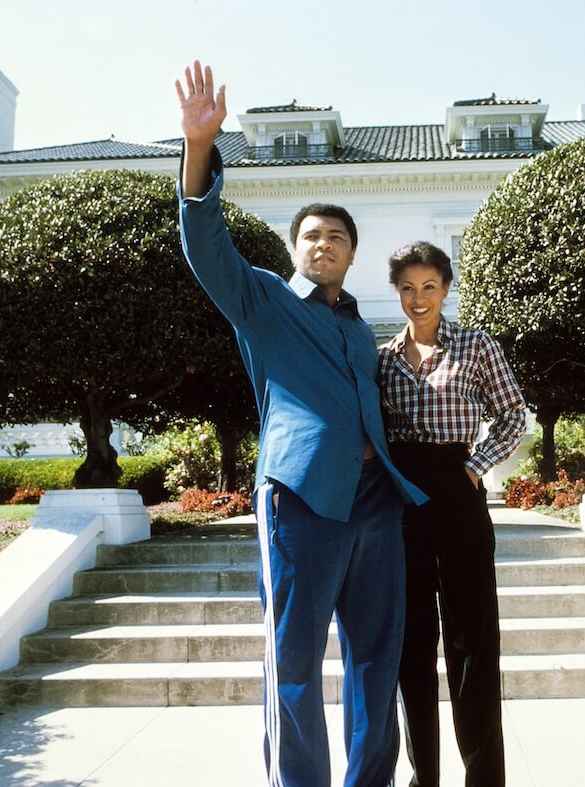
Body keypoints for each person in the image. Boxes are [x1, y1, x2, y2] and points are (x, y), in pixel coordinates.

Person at [174, 61, 427, 787]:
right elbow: (204, 242)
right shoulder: (261, 300)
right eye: (311, 236)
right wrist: (198, 147)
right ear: (295, 249)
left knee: (378, 661)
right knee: (292, 665)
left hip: (378, 505)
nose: (323, 244)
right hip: (299, 501)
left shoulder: (359, 329)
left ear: (351, 254)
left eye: (337, 237)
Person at [377, 241, 527, 787]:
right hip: (403, 506)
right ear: (398, 293)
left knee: (472, 643)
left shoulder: (476, 346)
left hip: (459, 495)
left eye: (429, 287)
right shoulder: (384, 358)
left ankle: (483, 778)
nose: (419, 299)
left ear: (445, 288)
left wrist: (473, 468)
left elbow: (513, 418)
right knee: (411, 648)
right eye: (408, 289)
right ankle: (425, 779)